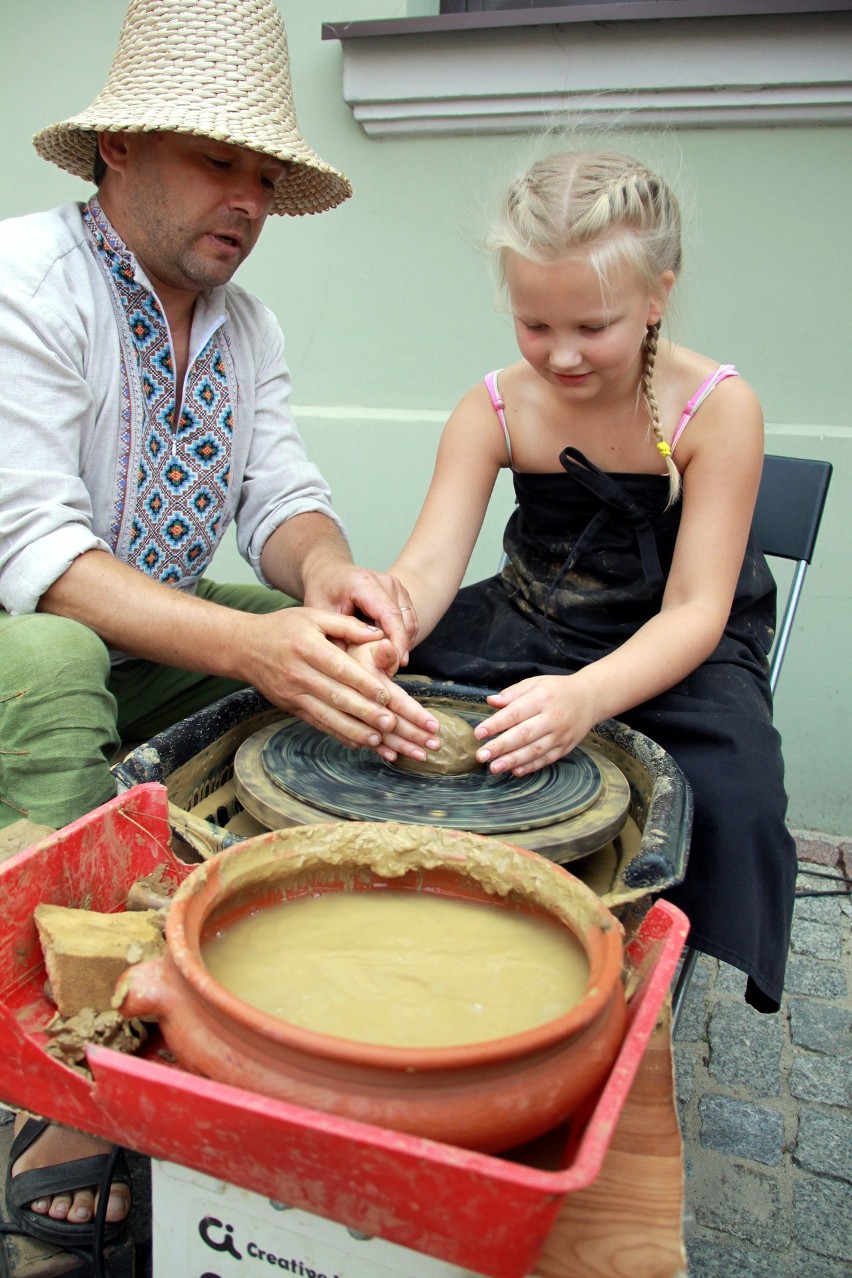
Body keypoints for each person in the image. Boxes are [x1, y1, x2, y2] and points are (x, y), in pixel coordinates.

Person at [0, 0, 440, 1251]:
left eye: (261, 174)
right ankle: (55, 1061)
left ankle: (266, 952)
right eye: (214, 161)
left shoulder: (248, 327)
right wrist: (253, 644)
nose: (244, 200)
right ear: (118, 152)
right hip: (24, 641)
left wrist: (332, 584)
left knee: (321, 642)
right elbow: (40, 557)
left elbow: (282, 502)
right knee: (51, 657)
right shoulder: (22, 279)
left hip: (133, 638)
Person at [357, 150, 797, 1018]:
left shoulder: (719, 406)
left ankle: (636, 981)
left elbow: (700, 610)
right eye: (533, 325)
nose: (560, 355)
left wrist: (586, 698)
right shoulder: (490, 405)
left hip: (679, 645)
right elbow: (430, 567)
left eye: (592, 326)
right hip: (531, 617)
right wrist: (386, 629)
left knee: (736, 799)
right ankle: (438, 933)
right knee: (397, 724)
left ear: (656, 296)